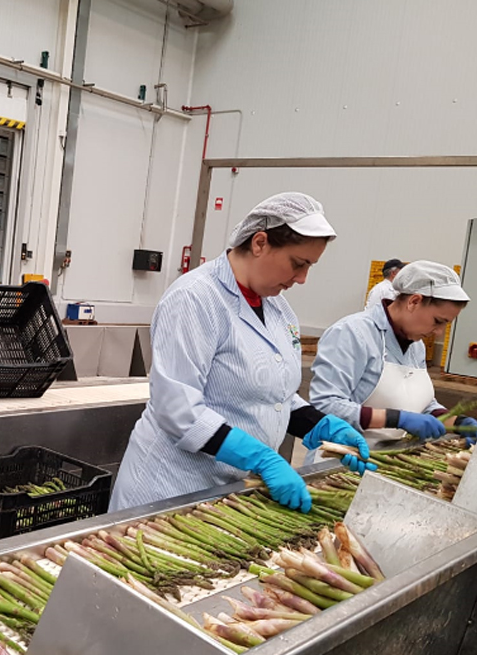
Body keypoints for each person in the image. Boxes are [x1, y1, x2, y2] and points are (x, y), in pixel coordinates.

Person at [110, 192, 374, 514]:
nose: (303, 279)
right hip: (171, 488)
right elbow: (179, 411)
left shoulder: (277, 307)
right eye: (298, 264)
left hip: (229, 491)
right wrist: (261, 458)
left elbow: (277, 395)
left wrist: (320, 426)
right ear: (260, 243)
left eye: (310, 267)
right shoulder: (195, 298)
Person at [310, 260, 477, 451]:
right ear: (414, 302)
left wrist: (457, 422)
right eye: (438, 321)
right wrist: (397, 419)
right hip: (346, 458)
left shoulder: (416, 345)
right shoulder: (352, 333)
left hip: (390, 458)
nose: (439, 332)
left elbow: (421, 404)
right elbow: (325, 405)